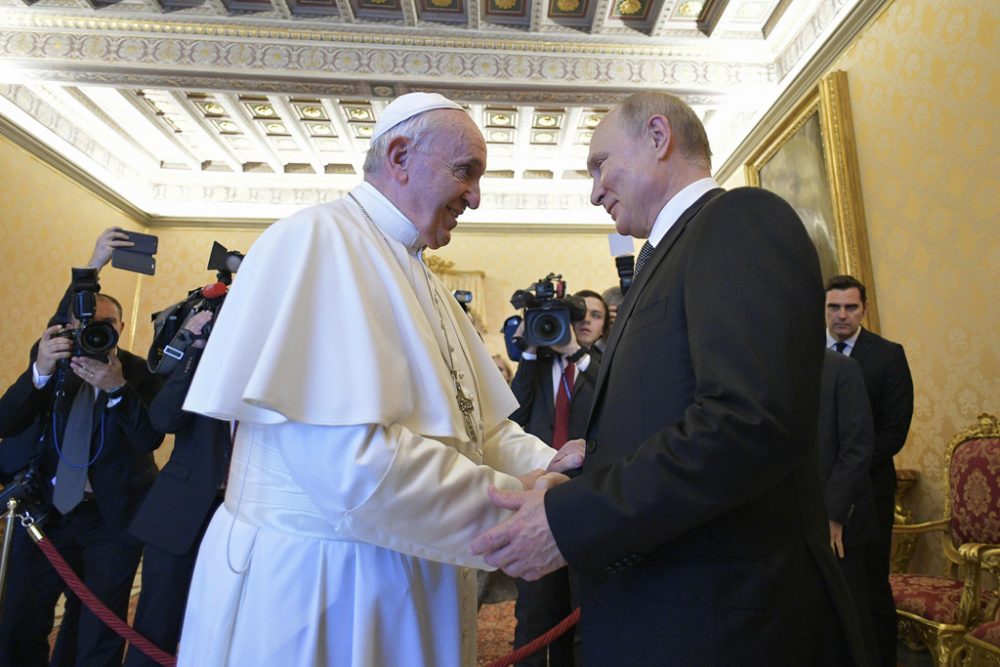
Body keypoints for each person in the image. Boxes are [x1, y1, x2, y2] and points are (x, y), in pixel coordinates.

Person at [174, 92, 582, 667]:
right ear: (398, 155)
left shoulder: (425, 278)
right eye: (465, 173)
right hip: (323, 587)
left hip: (401, 566)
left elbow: (473, 426)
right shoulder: (318, 241)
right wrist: (529, 511)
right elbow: (353, 465)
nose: (476, 196)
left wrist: (551, 467)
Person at [471, 91, 868, 666]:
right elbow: (683, 407)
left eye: (600, 164)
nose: (594, 189)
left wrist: (576, 519)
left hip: (728, 628)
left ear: (659, 137)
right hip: (669, 615)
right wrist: (592, 460)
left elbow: (748, 423)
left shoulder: (738, 220)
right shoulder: (664, 259)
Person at [0, 229, 162, 667]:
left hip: (113, 520)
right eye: (84, 325)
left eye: (105, 328)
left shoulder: (140, 372)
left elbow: (150, 436)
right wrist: (39, 369)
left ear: (122, 329)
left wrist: (117, 390)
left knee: (97, 632)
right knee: (19, 621)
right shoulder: (53, 360)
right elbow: (7, 420)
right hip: (45, 513)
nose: (93, 333)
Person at [124, 310, 232, 667]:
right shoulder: (204, 363)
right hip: (182, 514)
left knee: (224, 631)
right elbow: (164, 418)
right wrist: (196, 349)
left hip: (246, 519)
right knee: (155, 630)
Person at [507, 289, 607, 667]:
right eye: (579, 314)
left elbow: (609, 402)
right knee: (534, 614)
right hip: (540, 498)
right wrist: (531, 352)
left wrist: (574, 354)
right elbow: (512, 418)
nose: (585, 321)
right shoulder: (535, 365)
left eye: (595, 316)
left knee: (582, 612)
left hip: (587, 499)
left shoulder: (602, 364)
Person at [826, 273, 914, 667]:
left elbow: (894, 431)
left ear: (864, 309)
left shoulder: (887, 355)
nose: (842, 315)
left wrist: (851, 465)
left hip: (871, 493)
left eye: (850, 307)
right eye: (833, 307)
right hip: (820, 493)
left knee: (872, 589)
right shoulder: (807, 357)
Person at [818, 348, 880, 663]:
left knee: (853, 625)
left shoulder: (842, 369)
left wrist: (834, 513)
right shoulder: (776, 370)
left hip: (841, 525)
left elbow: (857, 447)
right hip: (799, 525)